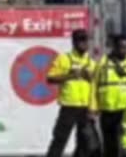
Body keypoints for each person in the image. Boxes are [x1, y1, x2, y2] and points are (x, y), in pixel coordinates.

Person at [45, 29, 99, 157]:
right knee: (60, 139)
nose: (84, 44)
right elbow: (50, 78)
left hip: (85, 107)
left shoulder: (91, 63)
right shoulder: (64, 59)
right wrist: (71, 75)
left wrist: (94, 108)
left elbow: (95, 86)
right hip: (69, 106)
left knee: (85, 141)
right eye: (81, 40)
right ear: (74, 42)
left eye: (86, 40)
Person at [93, 34, 126, 157]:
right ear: (114, 47)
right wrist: (93, 106)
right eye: (121, 47)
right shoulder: (103, 62)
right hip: (108, 109)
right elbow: (95, 85)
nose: (124, 50)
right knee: (109, 143)